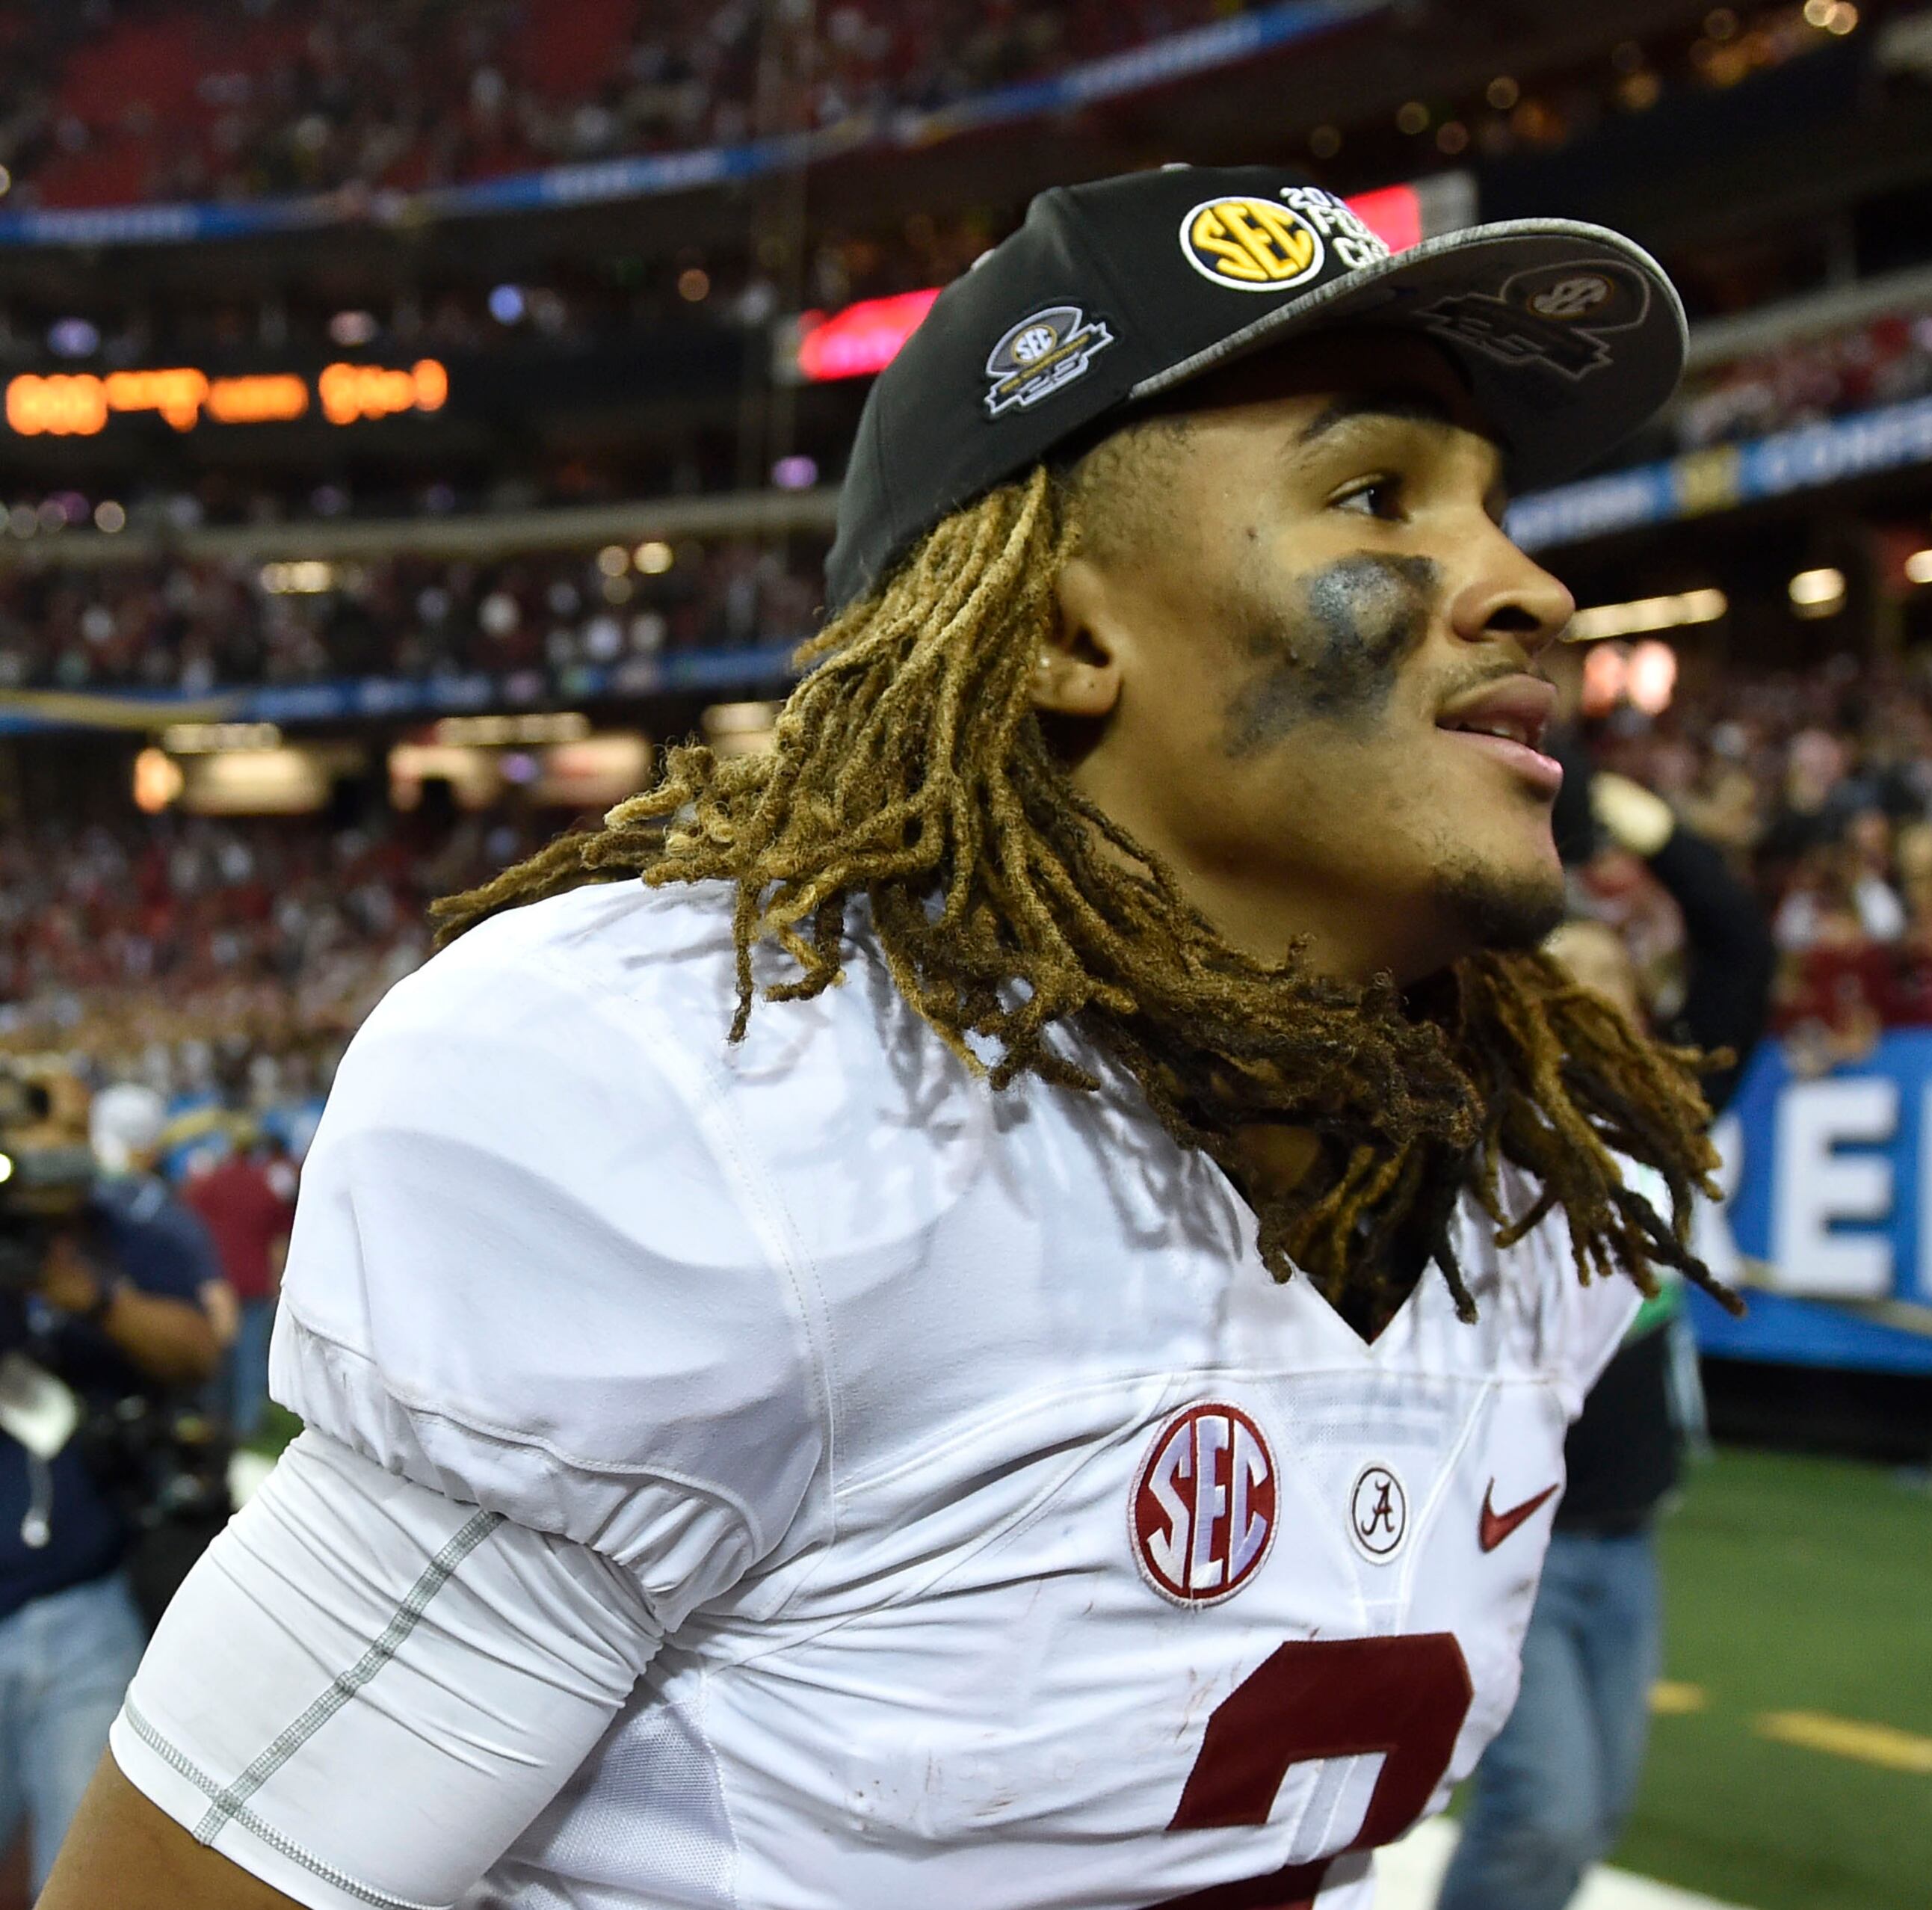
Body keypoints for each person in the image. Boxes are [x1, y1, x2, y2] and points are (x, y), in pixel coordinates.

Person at [49, 164, 1723, 1910]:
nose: (1526, 584)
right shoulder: (741, 1108)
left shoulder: (1519, 1193)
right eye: (1377, 496)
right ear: (1070, 630)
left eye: (1496, 506)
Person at [1436, 772, 1768, 1910]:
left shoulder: (1666, 1110)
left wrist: (1666, 829)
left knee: (1595, 1813)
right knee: (1548, 1814)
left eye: (1609, 979)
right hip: (1502, 1537)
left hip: (1629, 1528)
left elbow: (1738, 951)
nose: (1588, 999)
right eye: (1558, 982)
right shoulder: (1479, 1115)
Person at [0, 1079, 222, 1891]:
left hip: (82, 1599)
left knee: (84, 1880)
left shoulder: (128, 1229)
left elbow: (200, 1350)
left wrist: (88, 1294)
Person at [176, 1121, 294, 1441]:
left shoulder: (209, 1184)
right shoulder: (264, 1186)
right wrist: (277, 1279)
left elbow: (185, 1226)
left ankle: (212, 1421)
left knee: (216, 1356)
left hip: (215, 1280)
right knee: (249, 1358)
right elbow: (278, 1241)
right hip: (254, 1281)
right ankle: (245, 1427)